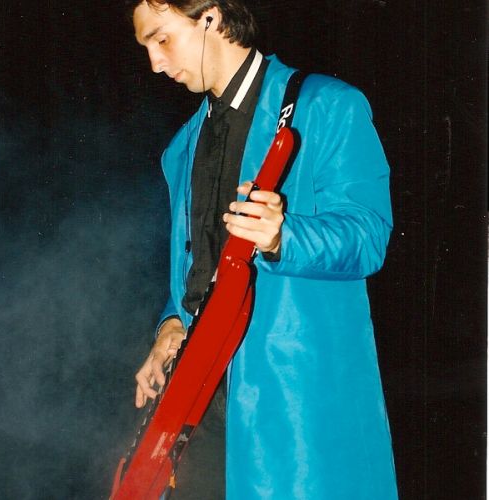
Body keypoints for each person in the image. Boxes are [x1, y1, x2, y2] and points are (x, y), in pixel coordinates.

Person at [128, 0, 398, 498]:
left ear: (210, 18)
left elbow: (369, 236)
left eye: (161, 39)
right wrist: (171, 325)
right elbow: (198, 267)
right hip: (199, 409)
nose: (155, 63)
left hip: (294, 408)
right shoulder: (182, 145)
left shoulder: (327, 104)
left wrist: (282, 236)